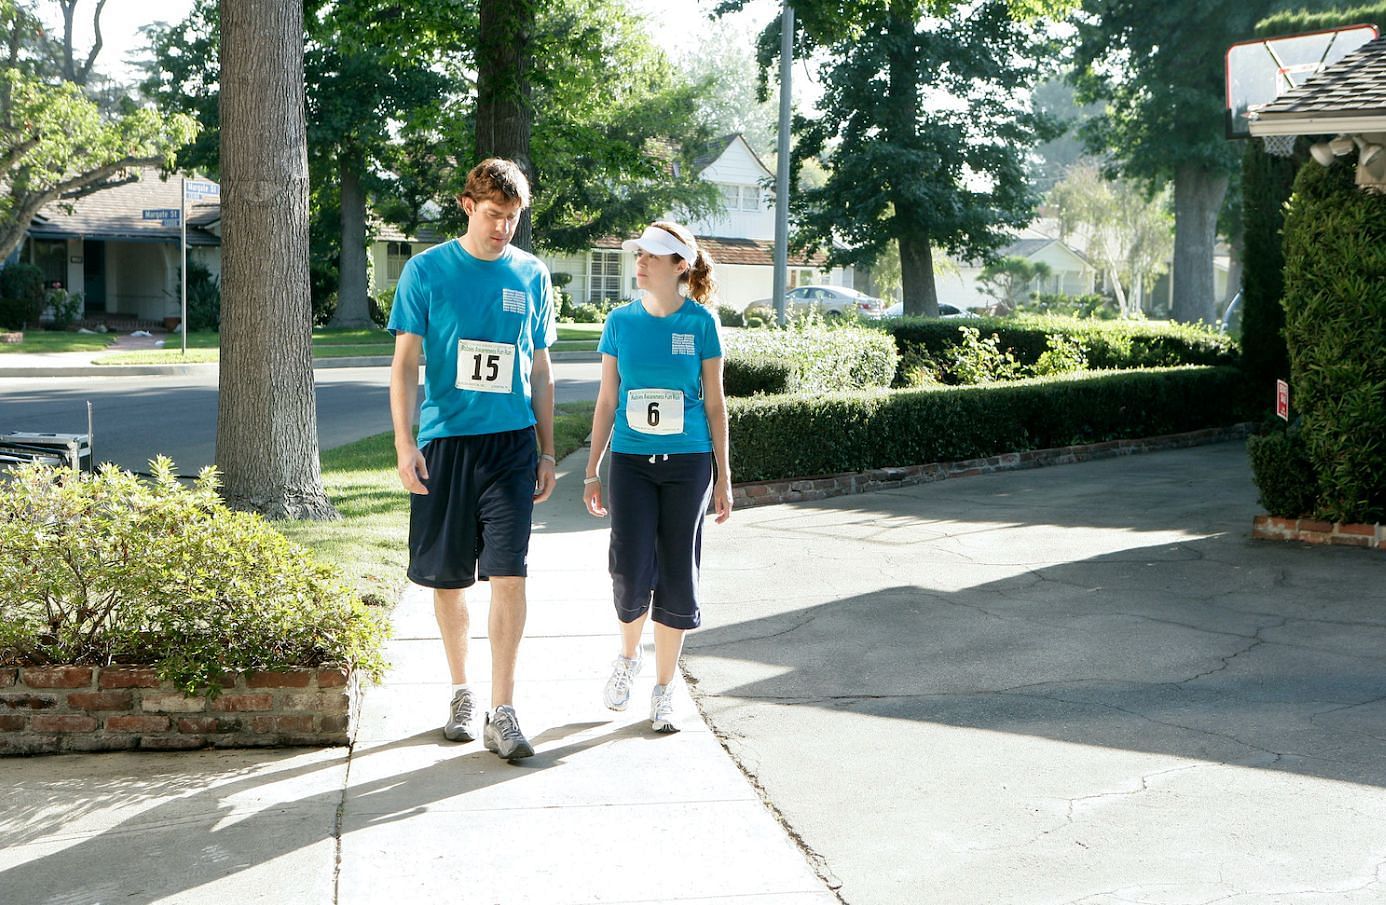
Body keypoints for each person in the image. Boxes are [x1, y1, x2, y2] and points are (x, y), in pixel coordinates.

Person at [387, 158, 557, 761]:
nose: (502, 229)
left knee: (511, 572)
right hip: (446, 444)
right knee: (449, 578)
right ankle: (462, 690)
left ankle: (502, 709)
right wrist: (406, 444)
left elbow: (538, 366)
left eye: (512, 219)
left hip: (510, 444)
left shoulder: (533, 276)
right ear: (467, 206)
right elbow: (405, 365)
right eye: (493, 216)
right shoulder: (426, 271)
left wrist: (546, 449)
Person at [582, 220, 732, 733]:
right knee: (629, 566)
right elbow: (607, 399)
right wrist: (591, 468)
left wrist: (724, 478)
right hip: (629, 462)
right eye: (638, 254)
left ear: (680, 267)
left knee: (676, 571)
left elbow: (715, 405)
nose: (640, 262)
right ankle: (628, 659)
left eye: (652, 255)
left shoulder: (702, 324)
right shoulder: (619, 323)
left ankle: (666, 690)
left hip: (688, 464)